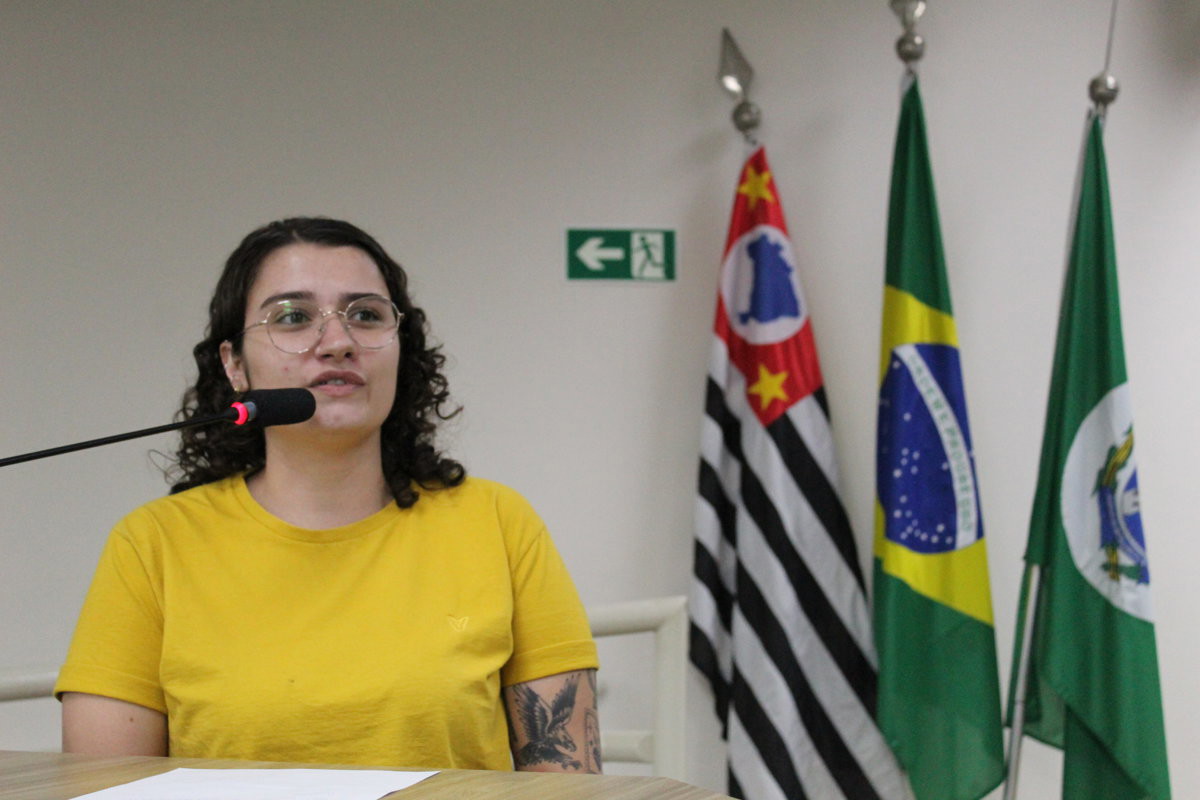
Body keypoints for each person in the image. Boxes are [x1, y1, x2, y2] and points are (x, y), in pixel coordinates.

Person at [54, 217, 601, 773]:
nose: (337, 343)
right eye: (293, 317)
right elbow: (103, 788)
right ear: (234, 365)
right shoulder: (153, 544)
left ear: (400, 348)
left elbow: (569, 781)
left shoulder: (498, 523)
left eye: (365, 315)